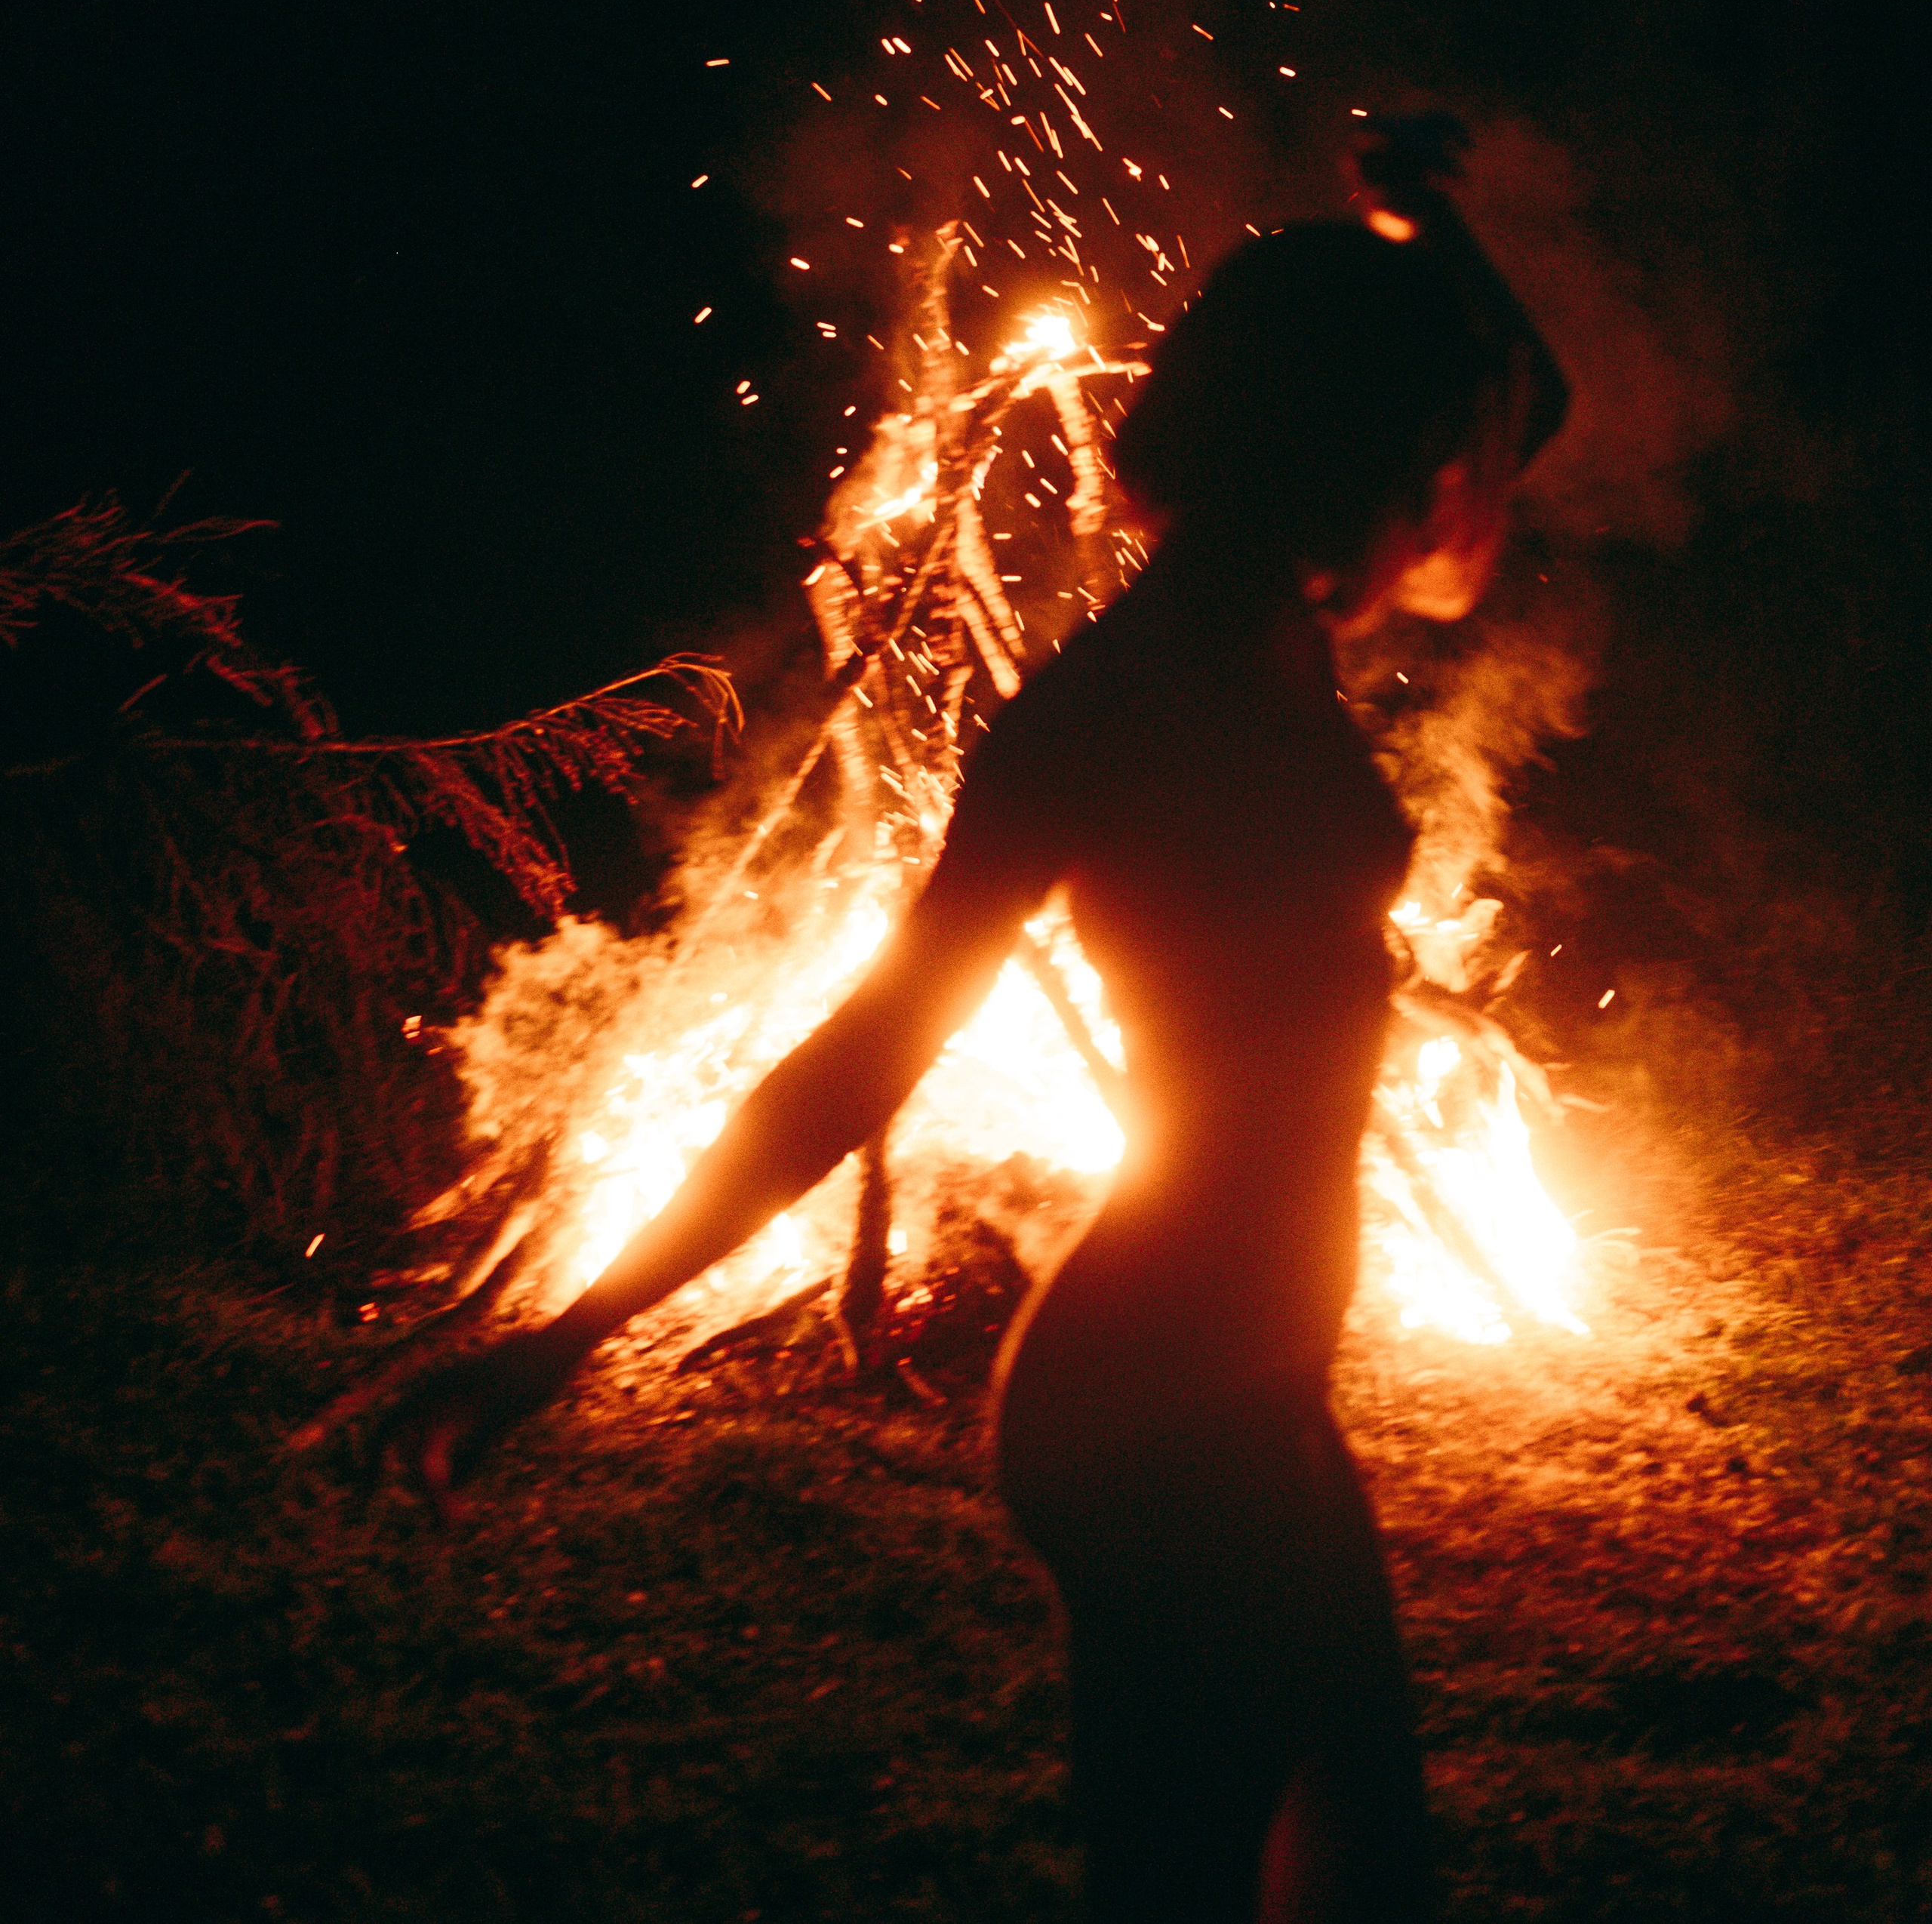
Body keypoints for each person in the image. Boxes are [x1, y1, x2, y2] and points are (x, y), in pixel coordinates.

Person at [381, 136, 1566, 1924]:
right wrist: (567, 1336)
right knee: (1183, 1877)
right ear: (1344, 453)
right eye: (1415, 455)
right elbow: (864, 1055)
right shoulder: (1118, 705)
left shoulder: (1261, 629)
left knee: (1357, 1861)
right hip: (1164, 1403)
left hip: (1258, 1385)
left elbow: (1515, 398)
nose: (1452, 503)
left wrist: (1419, 222)